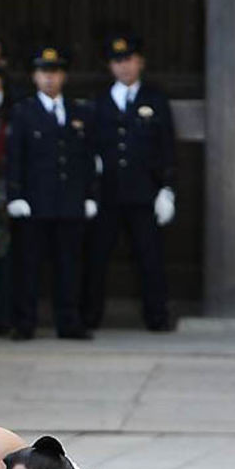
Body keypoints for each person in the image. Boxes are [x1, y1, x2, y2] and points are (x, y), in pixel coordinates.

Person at [84, 34, 177, 332]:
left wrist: (167, 188)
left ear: (140, 62)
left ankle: (156, 316)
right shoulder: (100, 101)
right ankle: (90, 315)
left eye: (128, 60)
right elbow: (88, 148)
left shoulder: (155, 98)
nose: (123, 67)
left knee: (150, 258)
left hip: (143, 193)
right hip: (107, 193)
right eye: (117, 61)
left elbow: (166, 146)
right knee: (96, 258)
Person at [5, 46, 97, 340]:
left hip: (69, 200)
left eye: (54, 72)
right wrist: (15, 194)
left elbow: (88, 158)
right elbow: (15, 156)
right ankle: (25, 321)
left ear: (63, 76)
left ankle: (68, 321)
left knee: (69, 266)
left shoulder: (79, 111)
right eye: (44, 72)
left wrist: (90, 195)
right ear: (35, 76)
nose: (49, 78)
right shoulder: (23, 112)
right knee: (29, 266)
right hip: (35, 201)